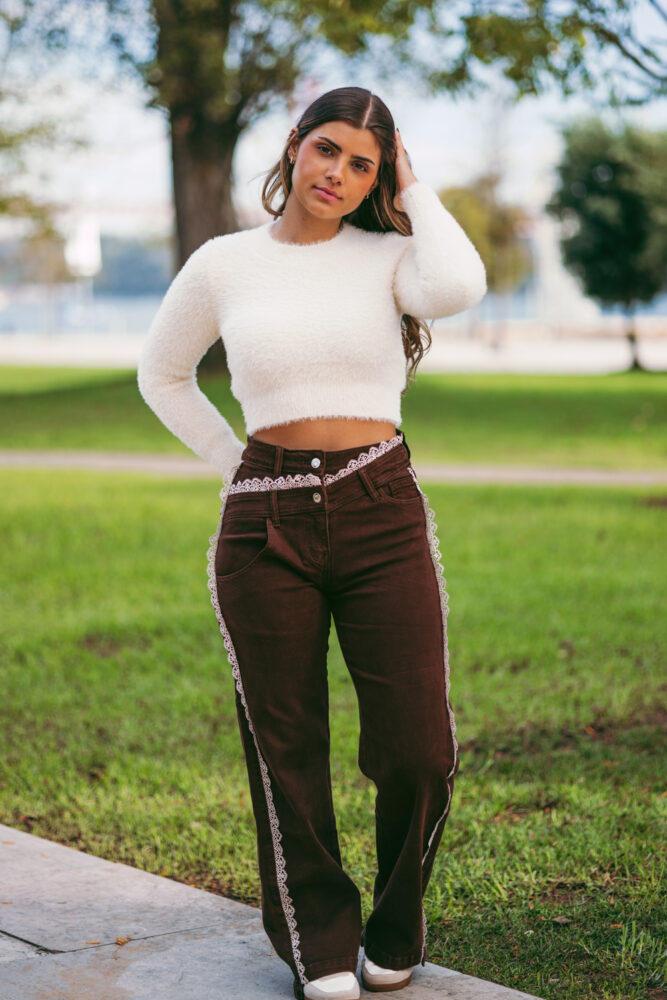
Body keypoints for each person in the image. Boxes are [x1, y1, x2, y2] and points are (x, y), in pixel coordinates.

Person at [137, 85, 486, 1000]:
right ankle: (318, 943)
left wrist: (413, 187)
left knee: (417, 747)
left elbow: (458, 286)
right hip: (265, 521)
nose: (337, 173)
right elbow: (162, 374)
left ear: (379, 178)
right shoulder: (224, 263)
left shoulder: (391, 257)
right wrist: (237, 467)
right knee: (285, 747)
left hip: (381, 506)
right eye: (327, 149)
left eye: (362, 163)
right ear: (294, 145)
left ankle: (395, 925)